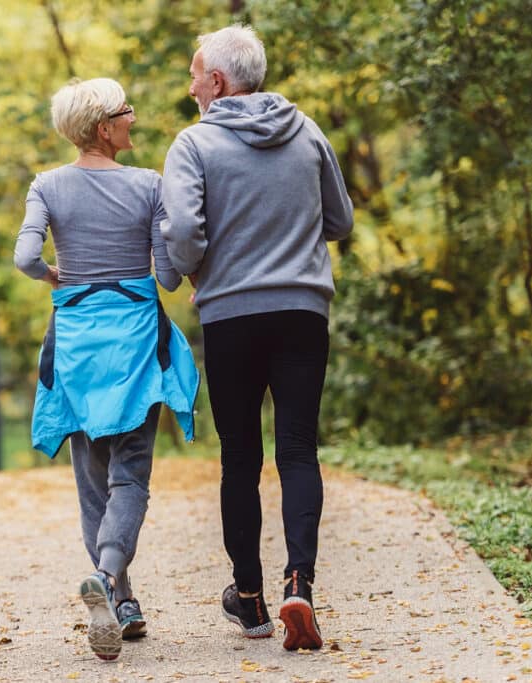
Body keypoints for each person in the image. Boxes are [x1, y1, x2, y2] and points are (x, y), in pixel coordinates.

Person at [161, 25, 354, 651]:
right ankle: (301, 581)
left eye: (195, 75)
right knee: (298, 449)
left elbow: (185, 233)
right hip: (303, 310)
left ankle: (250, 600)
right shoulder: (308, 131)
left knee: (240, 458)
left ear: (217, 81)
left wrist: (201, 270)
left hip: (231, 317)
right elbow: (340, 219)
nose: (190, 86)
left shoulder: (193, 144)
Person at [14, 77, 199, 662]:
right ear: (103, 127)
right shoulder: (149, 186)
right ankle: (111, 572)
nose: (133, 117)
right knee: (132, 474)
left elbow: (24, 257)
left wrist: (55, 277)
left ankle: (119, 598)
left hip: (74, 344)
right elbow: (168, 277)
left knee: (92, 475)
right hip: (135, 342)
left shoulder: (47, 186)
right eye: (125, 111)